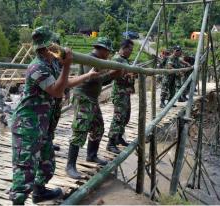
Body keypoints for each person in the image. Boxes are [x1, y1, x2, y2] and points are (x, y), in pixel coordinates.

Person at [10, 26, 99, 205]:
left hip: (43, 123)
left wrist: (87, 76)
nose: (58, 46)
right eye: (54, 44)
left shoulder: (52, 63)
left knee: (47, 164)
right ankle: (18, 201)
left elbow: (64, 83)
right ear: (45, 47)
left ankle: (39, 192)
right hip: (27, 124)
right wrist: (67, 66)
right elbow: (57, 91)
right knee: (25, 170)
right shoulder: (37, 67)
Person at [66, 37, 122, 179]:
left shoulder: (99, 61)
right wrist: (110, 75)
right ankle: (70, 166)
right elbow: (91, 78)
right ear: (102, 49)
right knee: (80, 129)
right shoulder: (89, 59)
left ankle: (91, 155)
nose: (108, 54)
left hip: (92, 99)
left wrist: (112, 76)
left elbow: (101, 80)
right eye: (108, 51)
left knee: (98, 127)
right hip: (83, 97)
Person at [106, 39, 135, 154]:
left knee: (125, 117)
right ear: (124, 48)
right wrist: (129, 74)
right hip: (119, 93)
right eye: (130, 49)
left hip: (125, 92)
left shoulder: (125, 60)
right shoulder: (117, 59)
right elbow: (116, 76)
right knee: (118, 118)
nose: (131, 52)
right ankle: (111, 143)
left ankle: (118, 137)